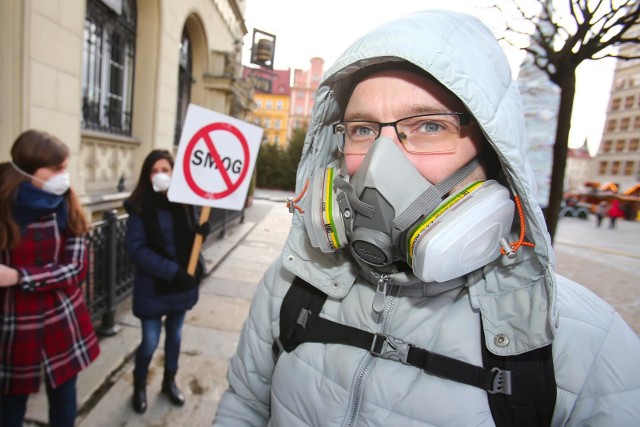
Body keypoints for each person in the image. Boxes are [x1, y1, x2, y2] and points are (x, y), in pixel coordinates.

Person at [213, 9, 640, 427]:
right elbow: (246, 406)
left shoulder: (587, 350)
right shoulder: (291, 284)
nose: (380, 161)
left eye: (429, 126)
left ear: (493, 154)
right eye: (362, 129)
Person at [0, 129, 100, 427]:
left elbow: (76, 267)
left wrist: (20, 276)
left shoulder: (65, 204)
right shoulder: (5, 207)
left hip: (62, 320)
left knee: (65, 401)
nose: (64, 177)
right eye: (57, 169)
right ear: (29, 170)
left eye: (65, 168)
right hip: (14, 326)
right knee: (10, 407)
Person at [124, 149, 208, 413]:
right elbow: (137, 250)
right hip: (154, 288)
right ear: (147, 175)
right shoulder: (139, 207)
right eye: (154, 171)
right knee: (150, 341)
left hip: (181, 287)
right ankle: (139, 385)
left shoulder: (185, 201)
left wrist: (200, 232)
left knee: (175, 336)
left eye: (165, 170)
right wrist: (172, 272)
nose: (160, 175)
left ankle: (169, 382)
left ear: (174, 173)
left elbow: (190, 240)